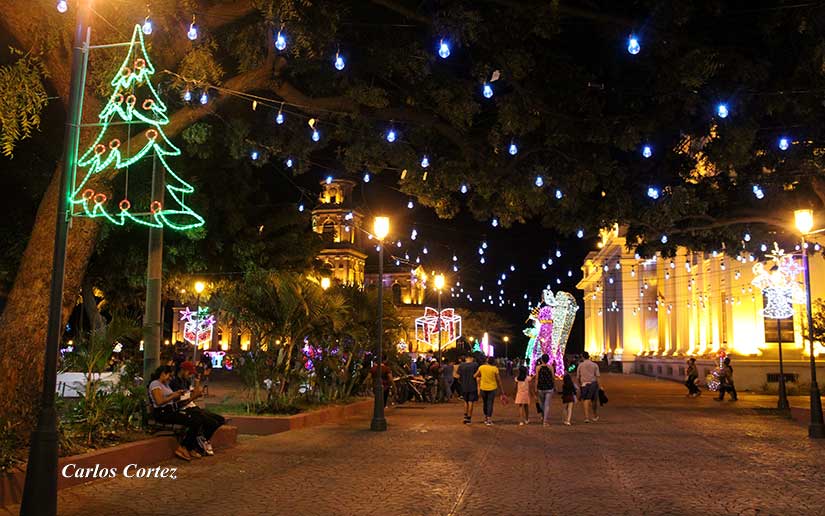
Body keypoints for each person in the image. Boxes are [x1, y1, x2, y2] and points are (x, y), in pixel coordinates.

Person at [148, 365, 203, 461]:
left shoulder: (165, 384)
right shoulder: (155, 384)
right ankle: (184, 446)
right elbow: (159, 401)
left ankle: (188, 446)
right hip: (163, 413)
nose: (170, 378)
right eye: (169, 375)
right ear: (163, 374)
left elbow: (169, 397)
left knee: (197, 417)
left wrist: (177, 394)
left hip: (171, 410)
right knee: (193, 420)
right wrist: (173, 396)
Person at [170, 361, 226, 455]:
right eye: (189, 372)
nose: (190, 375)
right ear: (182, 370)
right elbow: (180, 402)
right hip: (185, 409)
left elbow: (195, 392)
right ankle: (195, 443)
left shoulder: (186, 381)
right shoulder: (175, 383)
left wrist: (197, 382)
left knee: (220, 420)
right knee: (206, 421)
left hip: (192, 407)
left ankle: (203, 439)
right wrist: (194, 396)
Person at [474, 356, 507, 426]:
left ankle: (486, 417)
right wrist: (502, 390)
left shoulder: (482, 367)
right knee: (490, 403)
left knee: (485, 403)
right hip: (492, 388)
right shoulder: (495, 369)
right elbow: (498, 380)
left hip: (483, 387)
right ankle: (489, 419)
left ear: (487, 361)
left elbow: (475, 375)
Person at [576, 351, 601, 423]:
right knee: (594, 400)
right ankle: (595, 415)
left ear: (582, 357)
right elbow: (598, 376)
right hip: (593, 383)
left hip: (584, 384)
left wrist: (579, 385)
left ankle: (587, 417)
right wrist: (600, 386)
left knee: (586, 400)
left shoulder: (580, 365)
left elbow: (578, 377)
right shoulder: (594, 365)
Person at [457, 355, 479, 423]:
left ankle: (465, 416)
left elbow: (458, 375)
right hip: (472, 386)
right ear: (471, 358)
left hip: (464, 386)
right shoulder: (475, 365)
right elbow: (477, 375)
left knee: (465, 401)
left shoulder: (461, 365)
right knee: (470, 401)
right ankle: (469, 418)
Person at [535, 354, 555, 426]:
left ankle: (543, 417)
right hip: (549, 387)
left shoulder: (538, 368)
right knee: (546, 404)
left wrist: (535, 388)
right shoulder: (551, 367)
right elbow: (553, 377)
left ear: (541, 360)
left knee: (542, 404)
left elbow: (537, 378)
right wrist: (554, 386)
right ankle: (545, 421)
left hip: (540, 387)